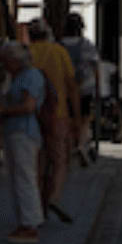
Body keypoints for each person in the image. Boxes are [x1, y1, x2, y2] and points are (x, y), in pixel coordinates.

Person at [0, 28, 52, 244]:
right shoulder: (16, 77)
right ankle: (24, 221)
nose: (4, 65)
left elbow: (28, 106)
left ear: (16, 61)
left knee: (25, 177)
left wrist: (3, 112)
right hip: (15, 131)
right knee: (18, 177)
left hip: (24, 132)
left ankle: (30, 224)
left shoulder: (30, 76)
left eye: (7, 61)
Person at [34, 21, 88, 223]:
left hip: (33, 115)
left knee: (39, 160)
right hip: (58, 113)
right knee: (59, 160)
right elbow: (71, 85)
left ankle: (39, 203)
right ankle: (55, 196)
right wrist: (76, 116)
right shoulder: (58, 52)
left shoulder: (27, 53)